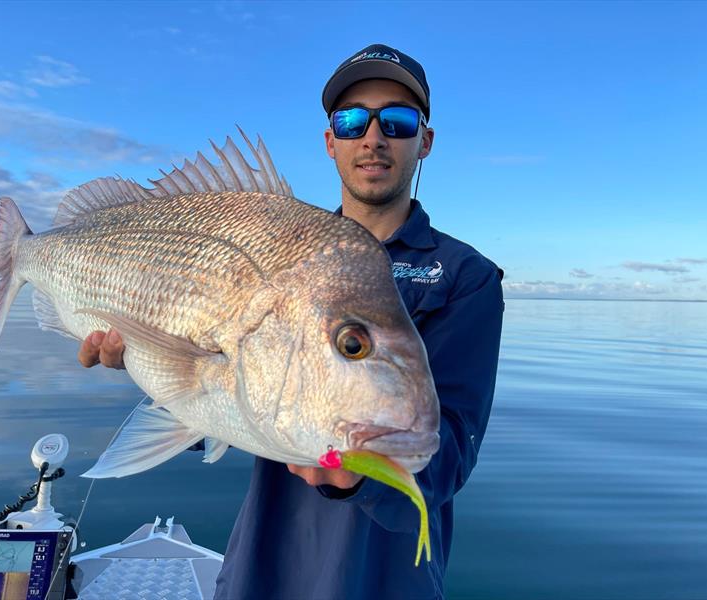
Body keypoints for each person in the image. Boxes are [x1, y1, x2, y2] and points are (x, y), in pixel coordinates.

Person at [78, 44, 503, 599]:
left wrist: (362, 477)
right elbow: (220, 392)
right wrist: (139, 355)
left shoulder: (465, 276)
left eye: (397, 121)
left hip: (386, 581)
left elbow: (444, 456)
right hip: (261, 565)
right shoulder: (282, 242)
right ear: (331, 142)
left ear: (424, 140)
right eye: (352, 120)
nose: (373, 137)